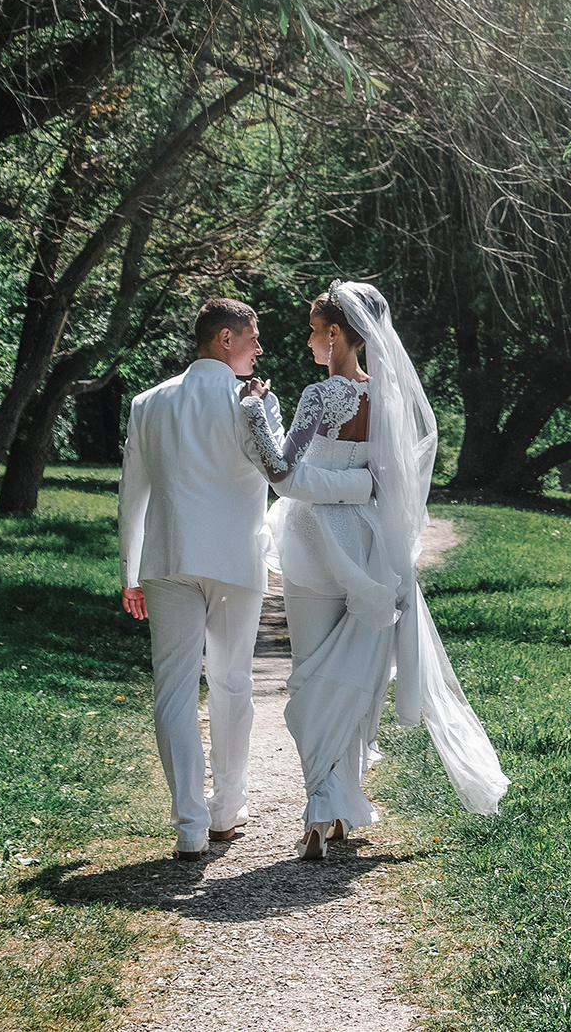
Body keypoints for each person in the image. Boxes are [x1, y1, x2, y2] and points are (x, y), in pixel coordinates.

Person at [241, 280, 508, 855]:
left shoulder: (322, 395)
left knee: (312, 671)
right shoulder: (387, 398)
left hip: (313, 546)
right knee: (356, 678)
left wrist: (253, 416)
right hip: (369, 548)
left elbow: (283, 472)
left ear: (336, 333)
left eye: (315, 330)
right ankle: (337, 806)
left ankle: (320, 808)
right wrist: (356, 481)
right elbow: (391, 486)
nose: (310, 341)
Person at [117, 297, 280, 861]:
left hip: (166, 563)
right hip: (235, 562)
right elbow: (277, 469)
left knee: (173, 689)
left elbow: (131, 493)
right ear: (225, 340)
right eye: (253, 338)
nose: (259, 349)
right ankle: (226, 809)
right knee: (233, 682)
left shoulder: (148, 402)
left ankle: (188, 823)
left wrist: (129, 572)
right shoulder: (251, 401)